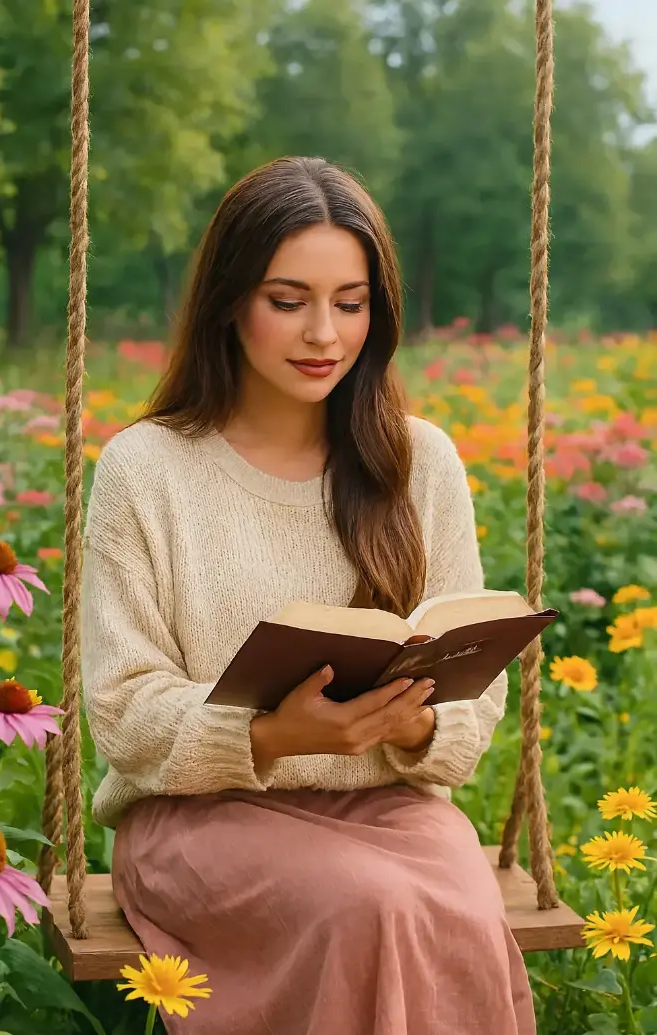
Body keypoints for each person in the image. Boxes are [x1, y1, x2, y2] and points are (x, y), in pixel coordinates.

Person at [81, 156, 535, 1035]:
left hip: (394, 811)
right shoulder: (147, 469)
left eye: (351, 302)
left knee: (456, 908)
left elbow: (475, 703)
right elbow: (123, 710)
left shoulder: (419, 462)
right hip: (201, 818)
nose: (324, 332)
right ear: (229, 302)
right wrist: (274, 733)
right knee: (366, 907)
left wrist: (413, 722)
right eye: (288, 301)